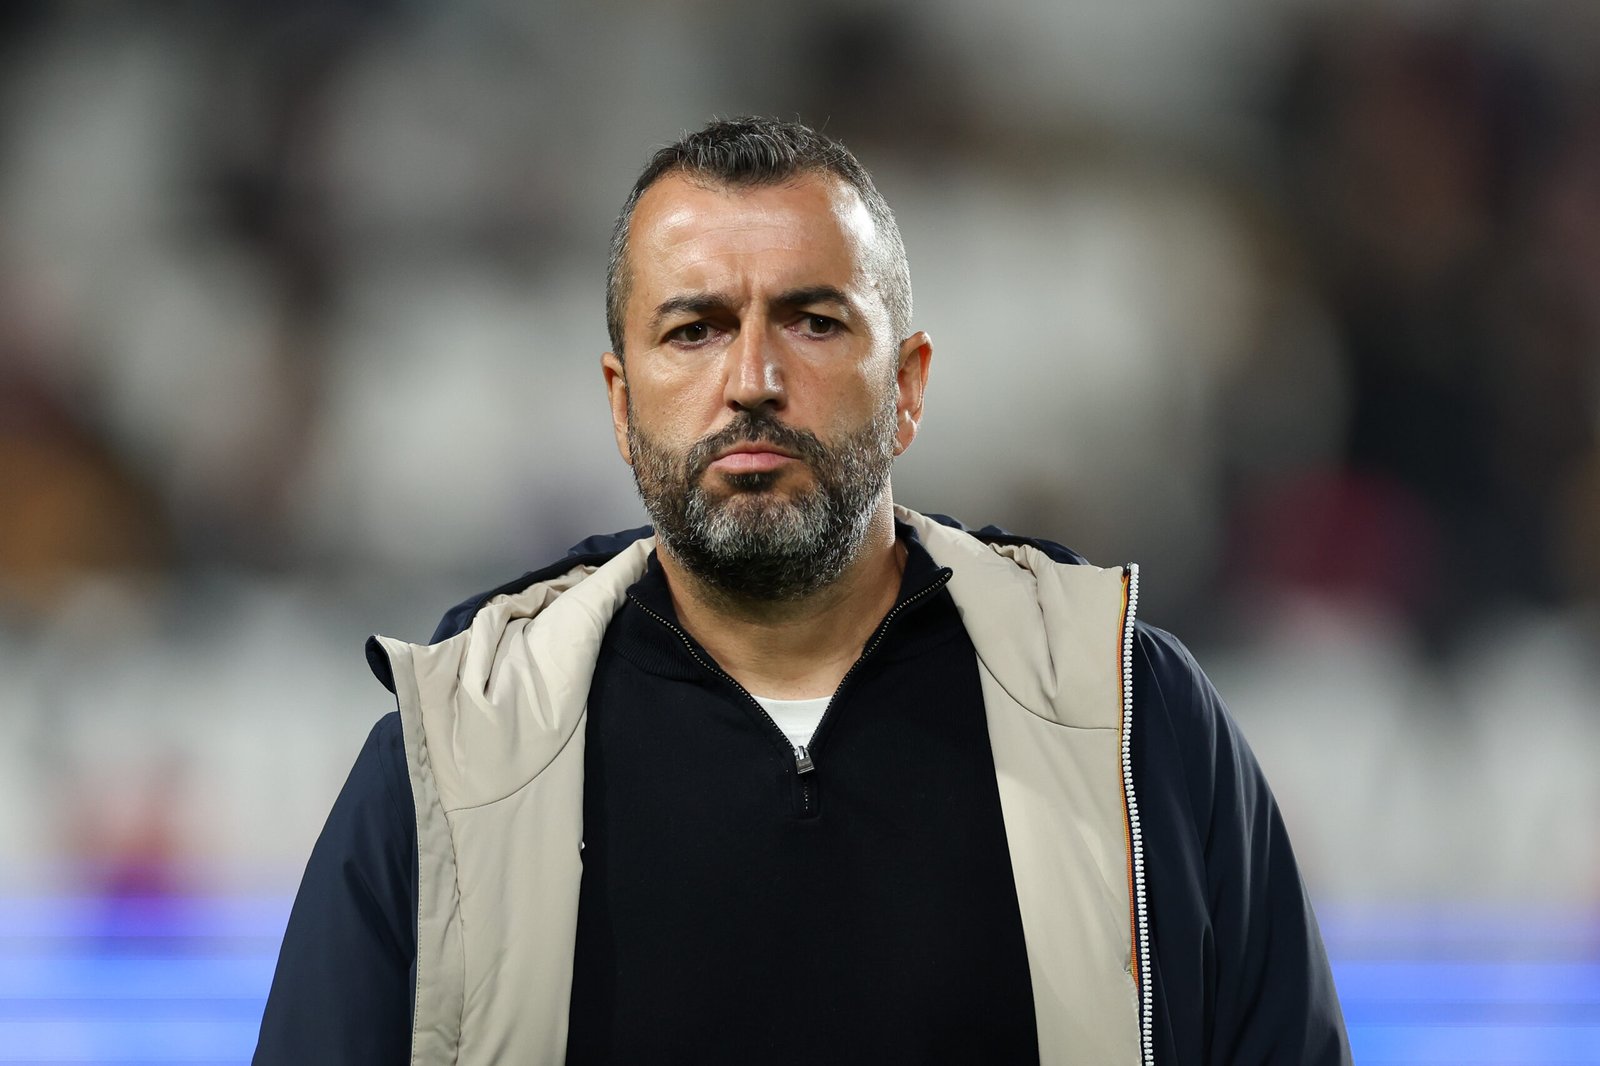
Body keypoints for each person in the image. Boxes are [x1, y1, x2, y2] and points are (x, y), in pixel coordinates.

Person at [254, 117, 1350, 1065]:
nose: (752, 380)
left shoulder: (1131, 720)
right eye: (694, 329)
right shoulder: (455, 752)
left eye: (813, 321)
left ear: (909, 386)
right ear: (620, 401)